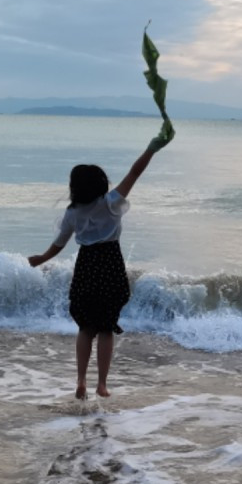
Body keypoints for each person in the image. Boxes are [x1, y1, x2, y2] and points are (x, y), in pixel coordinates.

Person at [28, 141, 164, 400]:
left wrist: (41, 258)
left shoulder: (72, 213)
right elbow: (135, 172)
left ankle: (81, 380)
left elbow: (59, 244)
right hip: (110, 265)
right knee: (105, 328)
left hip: (86, 267)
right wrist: (151, 149)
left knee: (85, 328)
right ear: (101, 184)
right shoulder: (112, 203)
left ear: (75, 188)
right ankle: (102, 384)